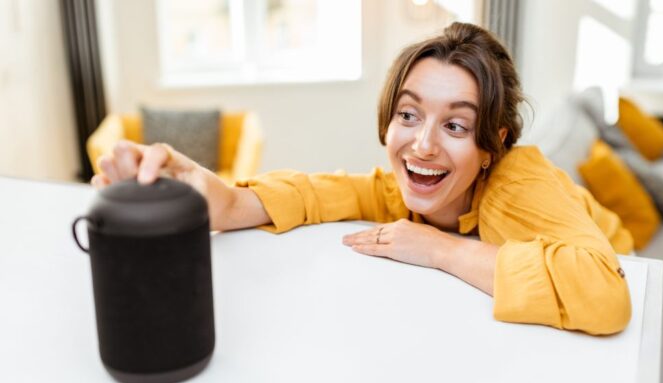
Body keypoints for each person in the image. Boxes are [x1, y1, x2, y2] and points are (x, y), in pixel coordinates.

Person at [92, 22, 633, 335]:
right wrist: (224, 201)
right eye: (409, 114)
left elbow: (606, 292)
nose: (422, 144)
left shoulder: (517, 181)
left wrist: (438, 249)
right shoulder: (408, 189)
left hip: (628, 257)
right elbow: (324, 191)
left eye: (455, 125)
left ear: (492, 144)